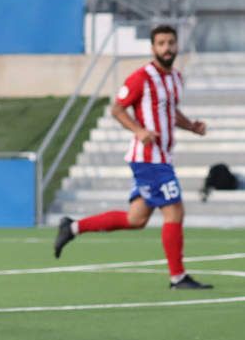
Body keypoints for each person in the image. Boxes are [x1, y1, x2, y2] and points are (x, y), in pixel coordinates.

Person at [54, 24, 213, 290]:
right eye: (161, 43)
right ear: (152, 48)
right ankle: (178, 277)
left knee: (136, 219)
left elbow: (170, 112)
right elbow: (117, 108)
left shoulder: (175, 78)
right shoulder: (142, 77)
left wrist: (191, 126)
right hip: (149, 159)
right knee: (174, 210)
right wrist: (138, 130)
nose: (166, 48)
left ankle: (72, 227)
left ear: (177, 46)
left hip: (161, 157)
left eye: (171, 43)